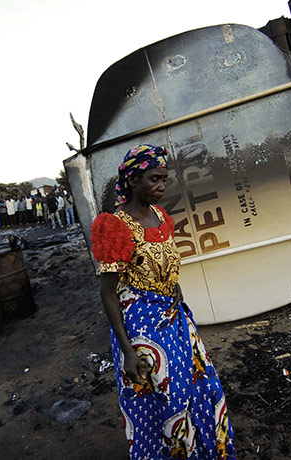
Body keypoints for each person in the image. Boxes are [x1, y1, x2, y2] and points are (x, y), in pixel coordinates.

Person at [91, 144, 236, 459]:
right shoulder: (114, 226)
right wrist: (128, 351)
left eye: (164, 180)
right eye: (154, 179)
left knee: (203, 385)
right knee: (166, 402)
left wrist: (174, 286)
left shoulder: (159, 215)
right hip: (142, 328)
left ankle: (206, 452)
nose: (161, 186)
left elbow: (162, 260)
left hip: (175, 317)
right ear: (132, 180)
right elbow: (107, 293)